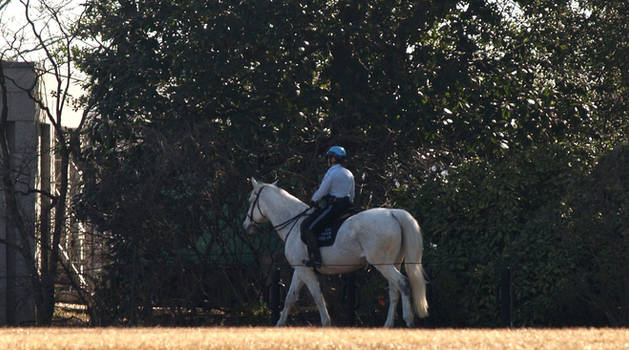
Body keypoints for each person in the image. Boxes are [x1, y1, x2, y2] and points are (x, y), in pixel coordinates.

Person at [302, 146, 355, 268]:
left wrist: (313, 200)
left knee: (309, 228)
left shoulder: (332, 172)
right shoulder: (349, 173)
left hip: (335, 206)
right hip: (348, 206)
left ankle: (316, 260)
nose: (328, 160)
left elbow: (322, 191)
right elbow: (352, 195)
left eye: (329, 157)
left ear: (333, 159)